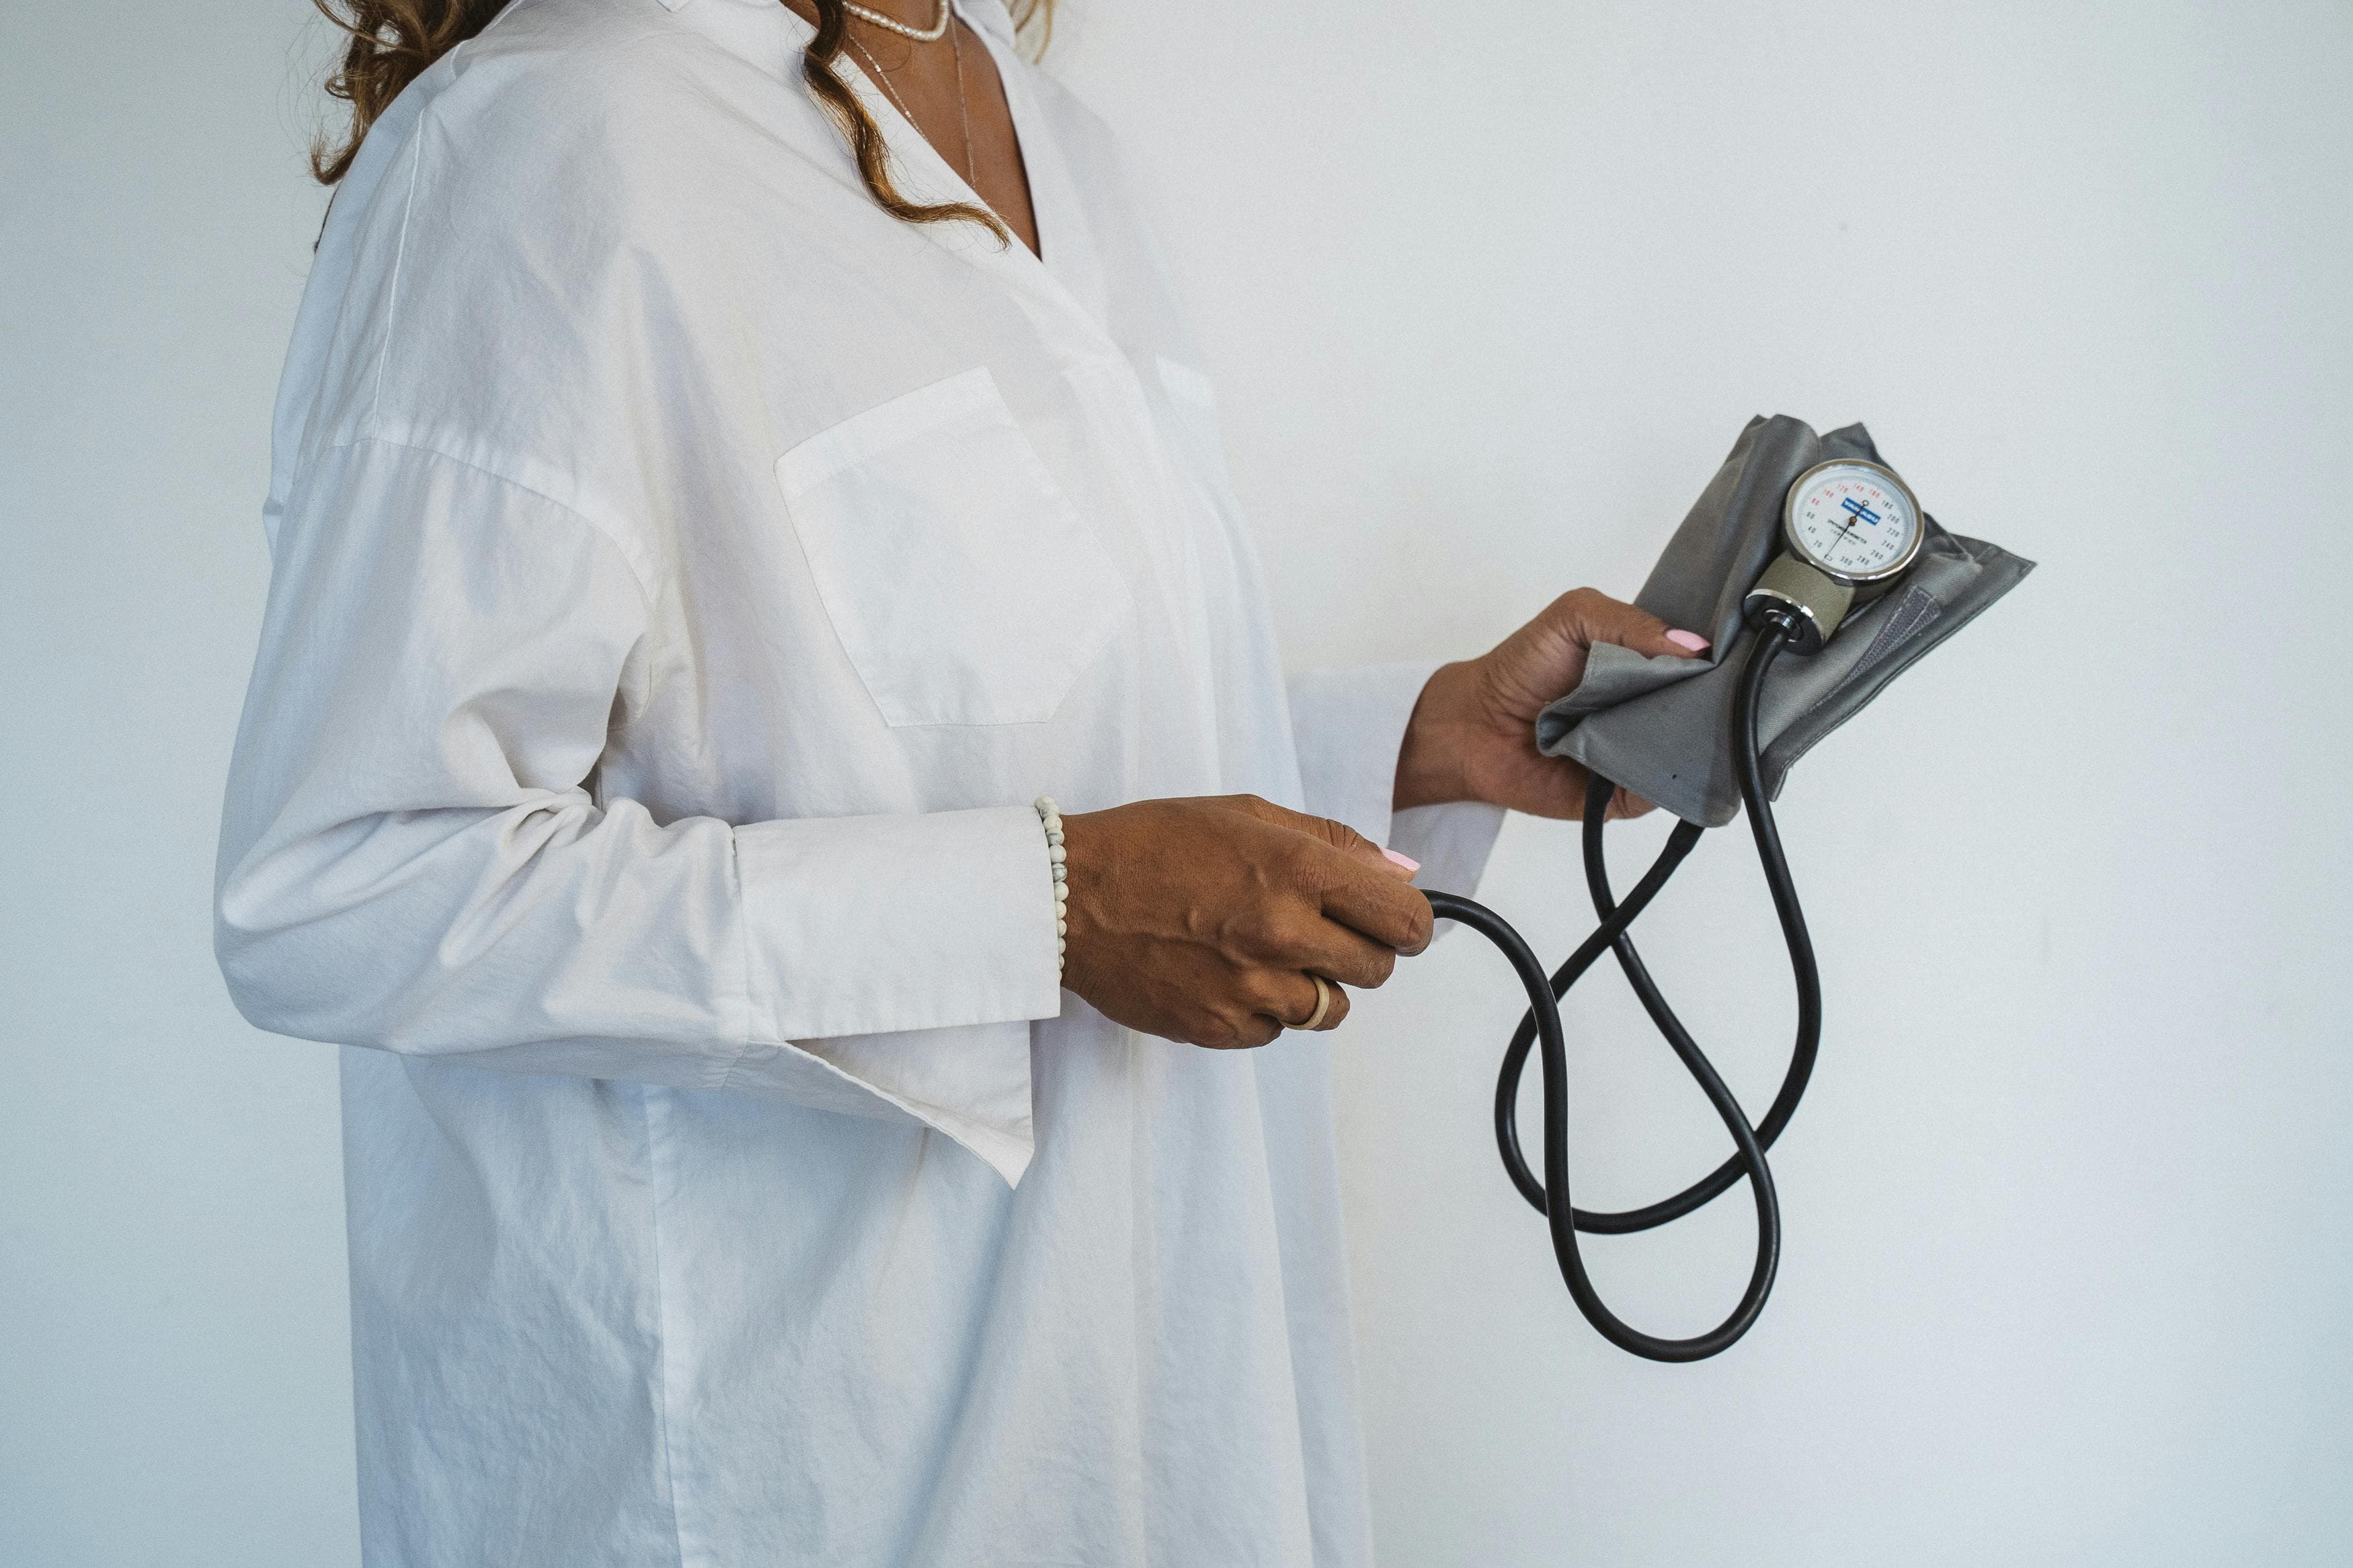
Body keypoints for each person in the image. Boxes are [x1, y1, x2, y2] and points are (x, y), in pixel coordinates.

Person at [214, 0, 1709, 1561]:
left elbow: (1031, 725)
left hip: (1144, 1416)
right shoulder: (539, 141)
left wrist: (1423, 737)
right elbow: (346, 882)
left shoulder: (1053, 140)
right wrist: (1047, 909)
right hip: (777, 1472)